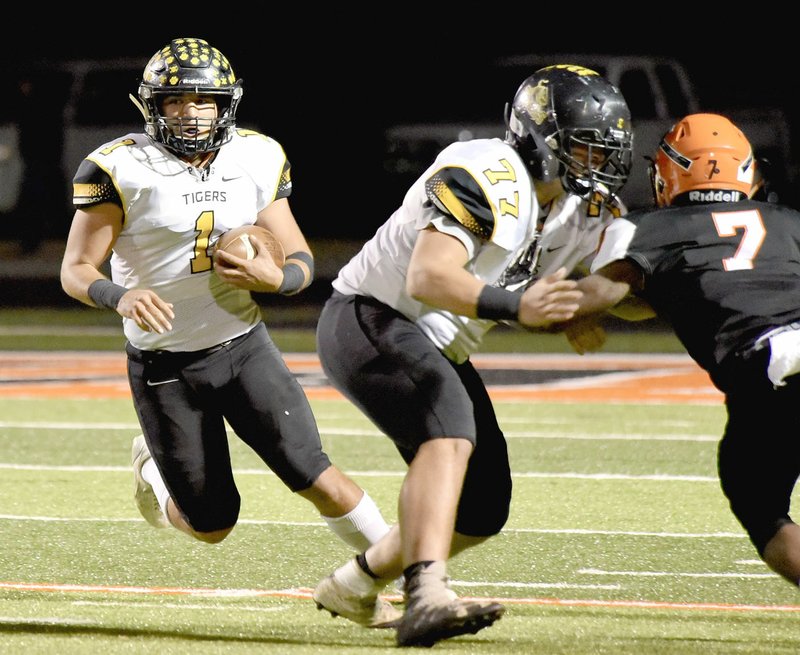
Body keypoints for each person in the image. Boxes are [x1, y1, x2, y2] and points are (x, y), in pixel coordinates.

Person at [59, 37, 397, 624]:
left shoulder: (258, 156)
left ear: (226, 105)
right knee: (211, 525)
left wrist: (277, 277)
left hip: (242, 347)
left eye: (204, 100)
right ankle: (152, 471)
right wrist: (121, 295)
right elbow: (75, 270)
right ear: (152, 106)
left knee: (313, 472)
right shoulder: (117, 167)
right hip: (165, 364)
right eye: (176, 101)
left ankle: (412, 582)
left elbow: (298, 258)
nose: (190, 111)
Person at [311, 65, 633, 647]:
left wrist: (596, 302)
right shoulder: (488, 171)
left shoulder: (582, 211)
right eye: (583, 147)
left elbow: (620, 282)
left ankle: (354, 584)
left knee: (484, 506)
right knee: (448, 429)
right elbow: (429, 275)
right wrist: (519, 308)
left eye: (603, 150)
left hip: (436, 340)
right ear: (541, 138)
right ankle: (427, 594)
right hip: (373, 315)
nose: (597, 163)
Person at [556, 112, 800, 588]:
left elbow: (600, 295)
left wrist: (545, 309)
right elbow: (658, 299)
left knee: (759, 503)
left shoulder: (650, 228)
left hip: (771, 363)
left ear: (667, 172)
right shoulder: (790, 222)